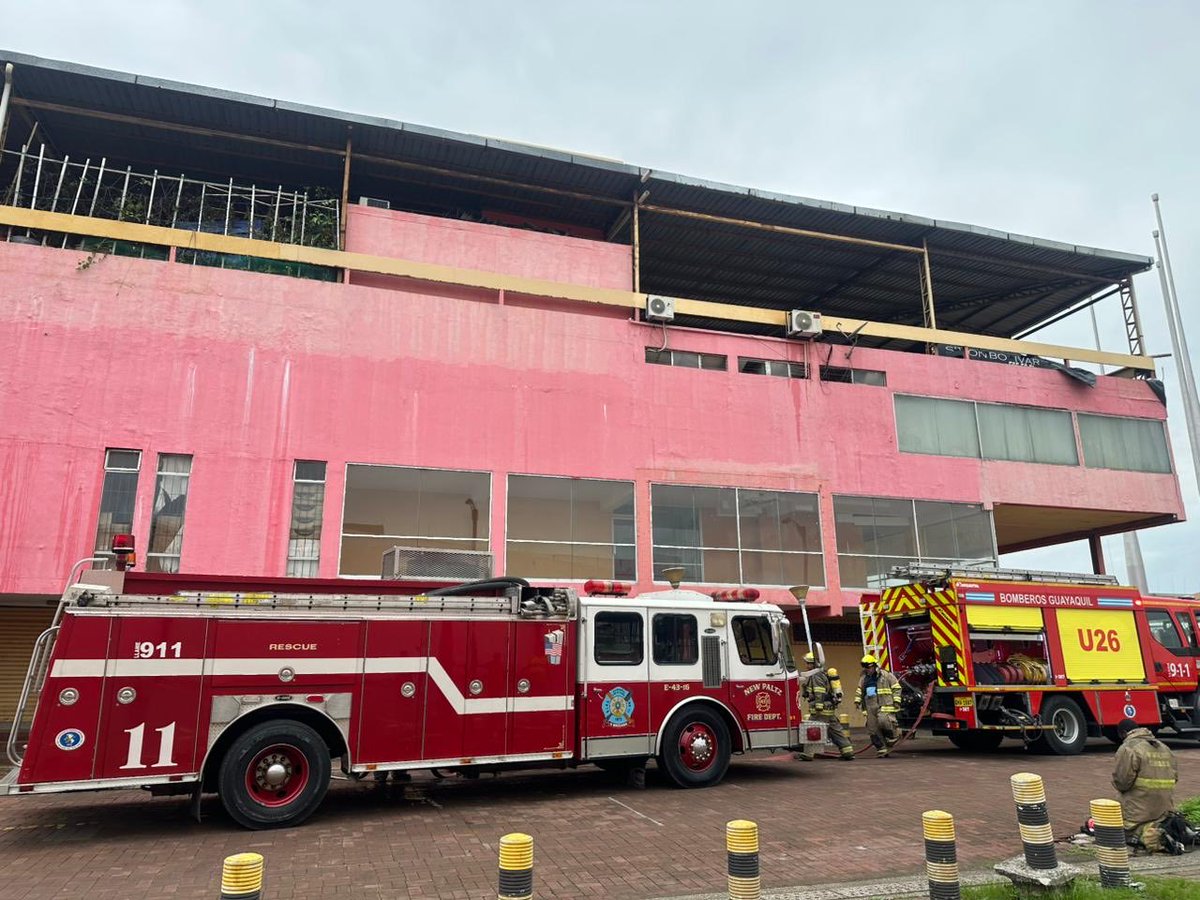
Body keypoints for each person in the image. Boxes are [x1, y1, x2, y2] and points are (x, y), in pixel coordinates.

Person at [1111, 717, 1180, 851]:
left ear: (1124, 733)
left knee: (1125, 829)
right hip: (1164, 810)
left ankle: (1147, 834)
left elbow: (1122, 782)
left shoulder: (1128, 748)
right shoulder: (1165, 748)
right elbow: (1175, 778)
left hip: (1138, 811)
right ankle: (1158, 829)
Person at [795, 652, 855, 761]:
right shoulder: (823, 673)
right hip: (828, 707)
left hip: (821, 709)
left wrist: (818, 707)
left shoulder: (816, 675)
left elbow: (819, 691)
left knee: (812, 729)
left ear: (814, 664)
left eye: (809, 663)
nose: (807, 666)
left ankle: (808, 754)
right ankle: (848, 751)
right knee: (834, 730)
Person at [855, 654, 900, 758]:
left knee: (884, 721)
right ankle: (881, 749)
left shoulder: (886, 675)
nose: (868, 670)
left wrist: (896, 701)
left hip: (884, 704)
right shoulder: (863, 678)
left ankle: (894, 736)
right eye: (866, 667)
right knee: (872, 729)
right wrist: (857, 701)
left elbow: (896, 688)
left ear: (874, 665)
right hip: (869, 705)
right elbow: (859, 690)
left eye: (869, 667)